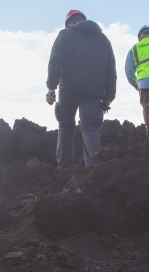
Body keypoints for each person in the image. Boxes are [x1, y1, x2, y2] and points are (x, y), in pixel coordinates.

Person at [46, 9, 117, 168]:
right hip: (94, 91)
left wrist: (51, 86)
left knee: (65, 126)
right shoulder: (103, 39)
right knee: (89, 128)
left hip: (68, 88)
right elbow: (110, 69)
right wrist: (109, 95)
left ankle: (64, 168)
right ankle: (95, 168)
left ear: (69, 23)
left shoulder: (65, 35)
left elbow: (55, 61)